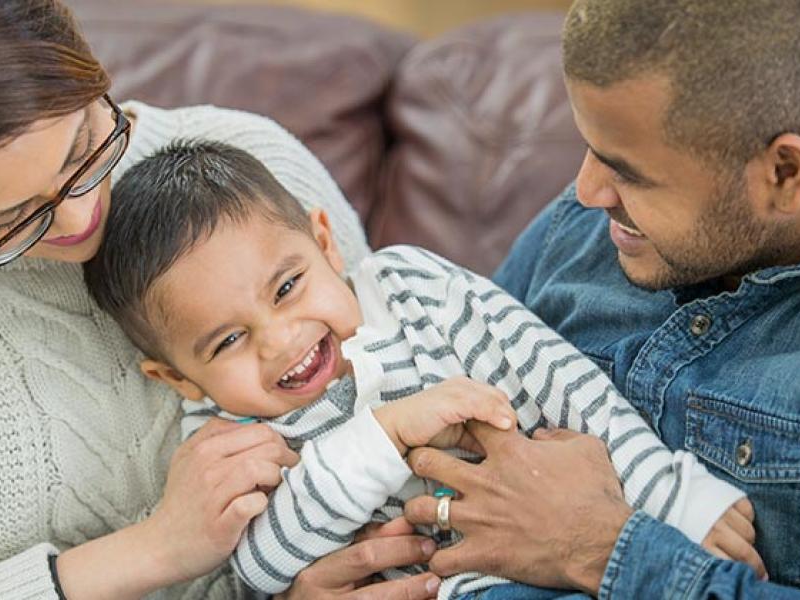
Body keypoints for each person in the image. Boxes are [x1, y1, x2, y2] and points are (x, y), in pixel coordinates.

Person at [0, 1, 426, 598]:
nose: (84, 216)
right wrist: (157, 549)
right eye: (12, 219)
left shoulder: (243, 158)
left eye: (83, 146)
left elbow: (402, 358)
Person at [83, 139, 760, 599]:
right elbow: (263, 564)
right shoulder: (222, 441)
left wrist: (670, 494)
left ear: (324, 242)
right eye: (228, 341)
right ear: (179, 379)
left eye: (288, 287)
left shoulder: (411, 289)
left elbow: (557, 378)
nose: (281, 341)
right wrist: (387, 433)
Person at [393, 1, 800, 598]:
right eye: (590, 147)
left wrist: (599, 546)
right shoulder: (582, 227)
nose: (586, 191)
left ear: (783, 172)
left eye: (629, 172)